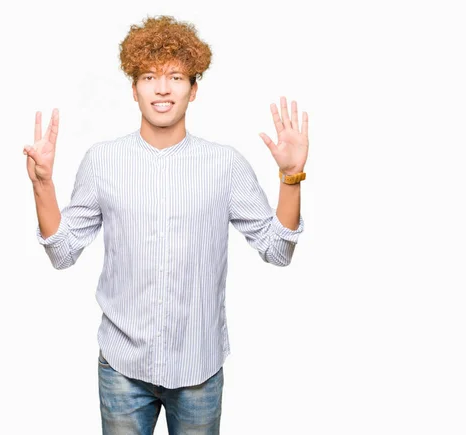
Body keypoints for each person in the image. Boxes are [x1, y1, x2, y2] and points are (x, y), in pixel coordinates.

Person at [22, 15, 309, 435]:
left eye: (175, 76)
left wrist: (290, 178)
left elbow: (278, 249)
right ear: (134, 89)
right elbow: (62, 253)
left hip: (199, 368)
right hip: (122, 367)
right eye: (149, 76)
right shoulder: (103, 162)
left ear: (193, 90)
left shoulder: (224, 165)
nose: (161, 88)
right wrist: (43, 184)